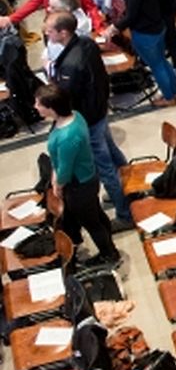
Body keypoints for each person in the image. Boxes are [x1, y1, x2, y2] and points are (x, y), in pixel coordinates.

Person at [41, 12, 131, 228]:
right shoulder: (86, 43)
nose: (46, 33)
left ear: (63, 32)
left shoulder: (71, 65)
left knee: (104, 167)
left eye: (50, 30)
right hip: (98, 110)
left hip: (89, 118)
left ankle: (124, 213)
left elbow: (65, 97)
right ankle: (130, 189)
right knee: (113, 153)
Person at [33, 84, 119, 266]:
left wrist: (57, 185)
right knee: (96, 215)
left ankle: (109, 255)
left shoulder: (67, 137)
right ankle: (109, 246)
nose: (35, 106)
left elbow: (65, 169)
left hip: (79, 185)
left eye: (39, 104)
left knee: (92, 223)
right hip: (87, 177)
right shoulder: (75, 116)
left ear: (51, 108)